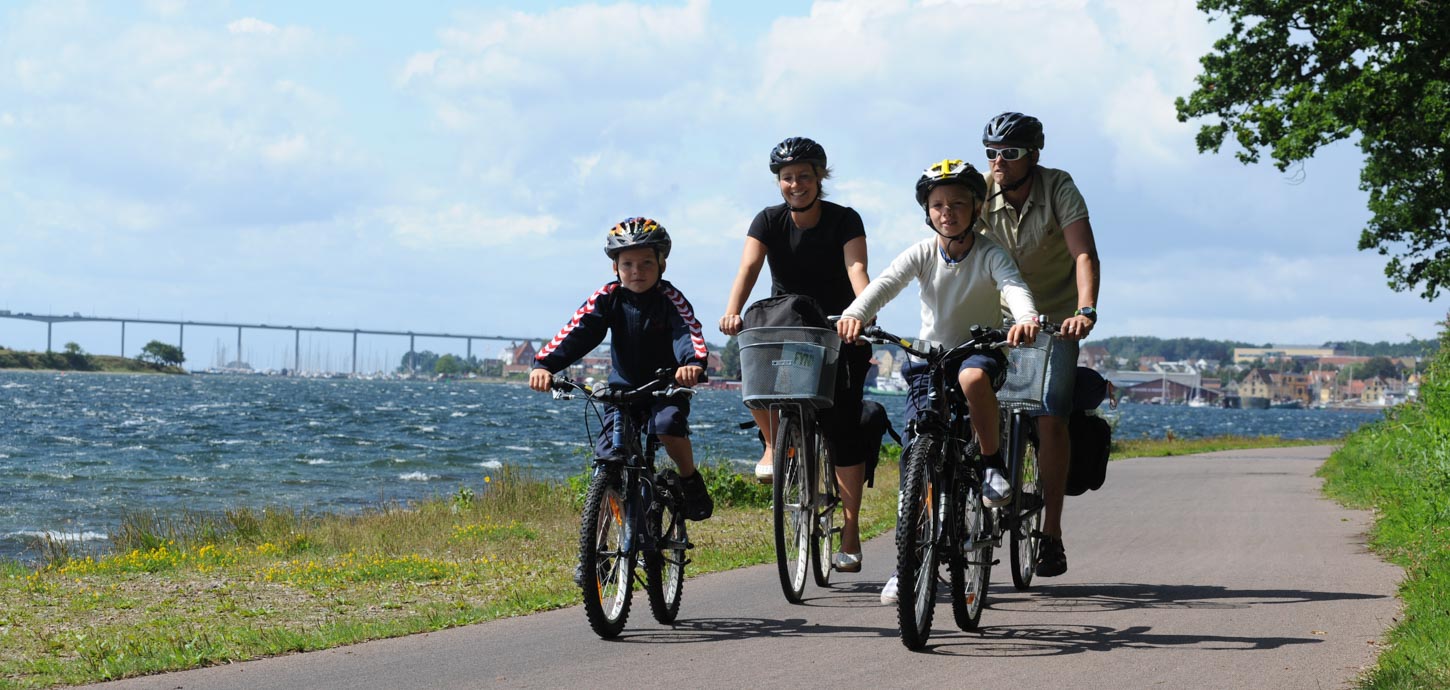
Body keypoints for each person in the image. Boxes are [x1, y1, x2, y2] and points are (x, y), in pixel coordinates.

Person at [835, 158, 1039, 604]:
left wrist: (1025, 318)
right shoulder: (923, 252)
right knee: (916, 453)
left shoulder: (990, 253)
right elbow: (885, 284)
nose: (947, 212)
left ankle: (991, 467)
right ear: (927, 211)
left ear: (977, 208)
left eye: (958, 204)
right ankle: (907, 563)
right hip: (930, 360)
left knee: (971, 378)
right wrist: (855, 314)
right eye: (938, 205)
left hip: (981, 351)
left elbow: (1013, 286)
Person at [719, 137, 873, 572]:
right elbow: (748, 268)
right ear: (778, 182)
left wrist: (862, 315)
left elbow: (856, 269)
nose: (795, 185)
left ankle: (850, 528)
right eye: (787, 178)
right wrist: (733, 312)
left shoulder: (845, 219)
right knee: (762, 386)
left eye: (804, 176)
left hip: (839, 329)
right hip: (788, 326)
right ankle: (773, 444)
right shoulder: (767, 220)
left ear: (820, 178)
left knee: (844, 425)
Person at [978, 112, 1101, 578]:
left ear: (1033, 155)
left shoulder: (1058, 187)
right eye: (991, 153)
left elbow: (1083, 254)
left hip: (1054, 322)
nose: (998, 163)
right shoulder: (980, 193)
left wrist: (1084, 311)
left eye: (1008, 154)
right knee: (972, 402)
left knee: (1051, 417)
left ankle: (1051, 532)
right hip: (997, 321)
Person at [530, 217, 713, 521]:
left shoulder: (671, 299)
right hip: (622, 389)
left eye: (646, 263)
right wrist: (544, 365)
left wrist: (691, 364)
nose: (636, 272)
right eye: (627, 264)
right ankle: (605, 539)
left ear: (662, 265)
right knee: (608, 459)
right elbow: (577, 332)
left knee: (667, 426)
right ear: (615, 267)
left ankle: (689, 478)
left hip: (664, 387)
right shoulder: (607, 297)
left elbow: (687, 332)